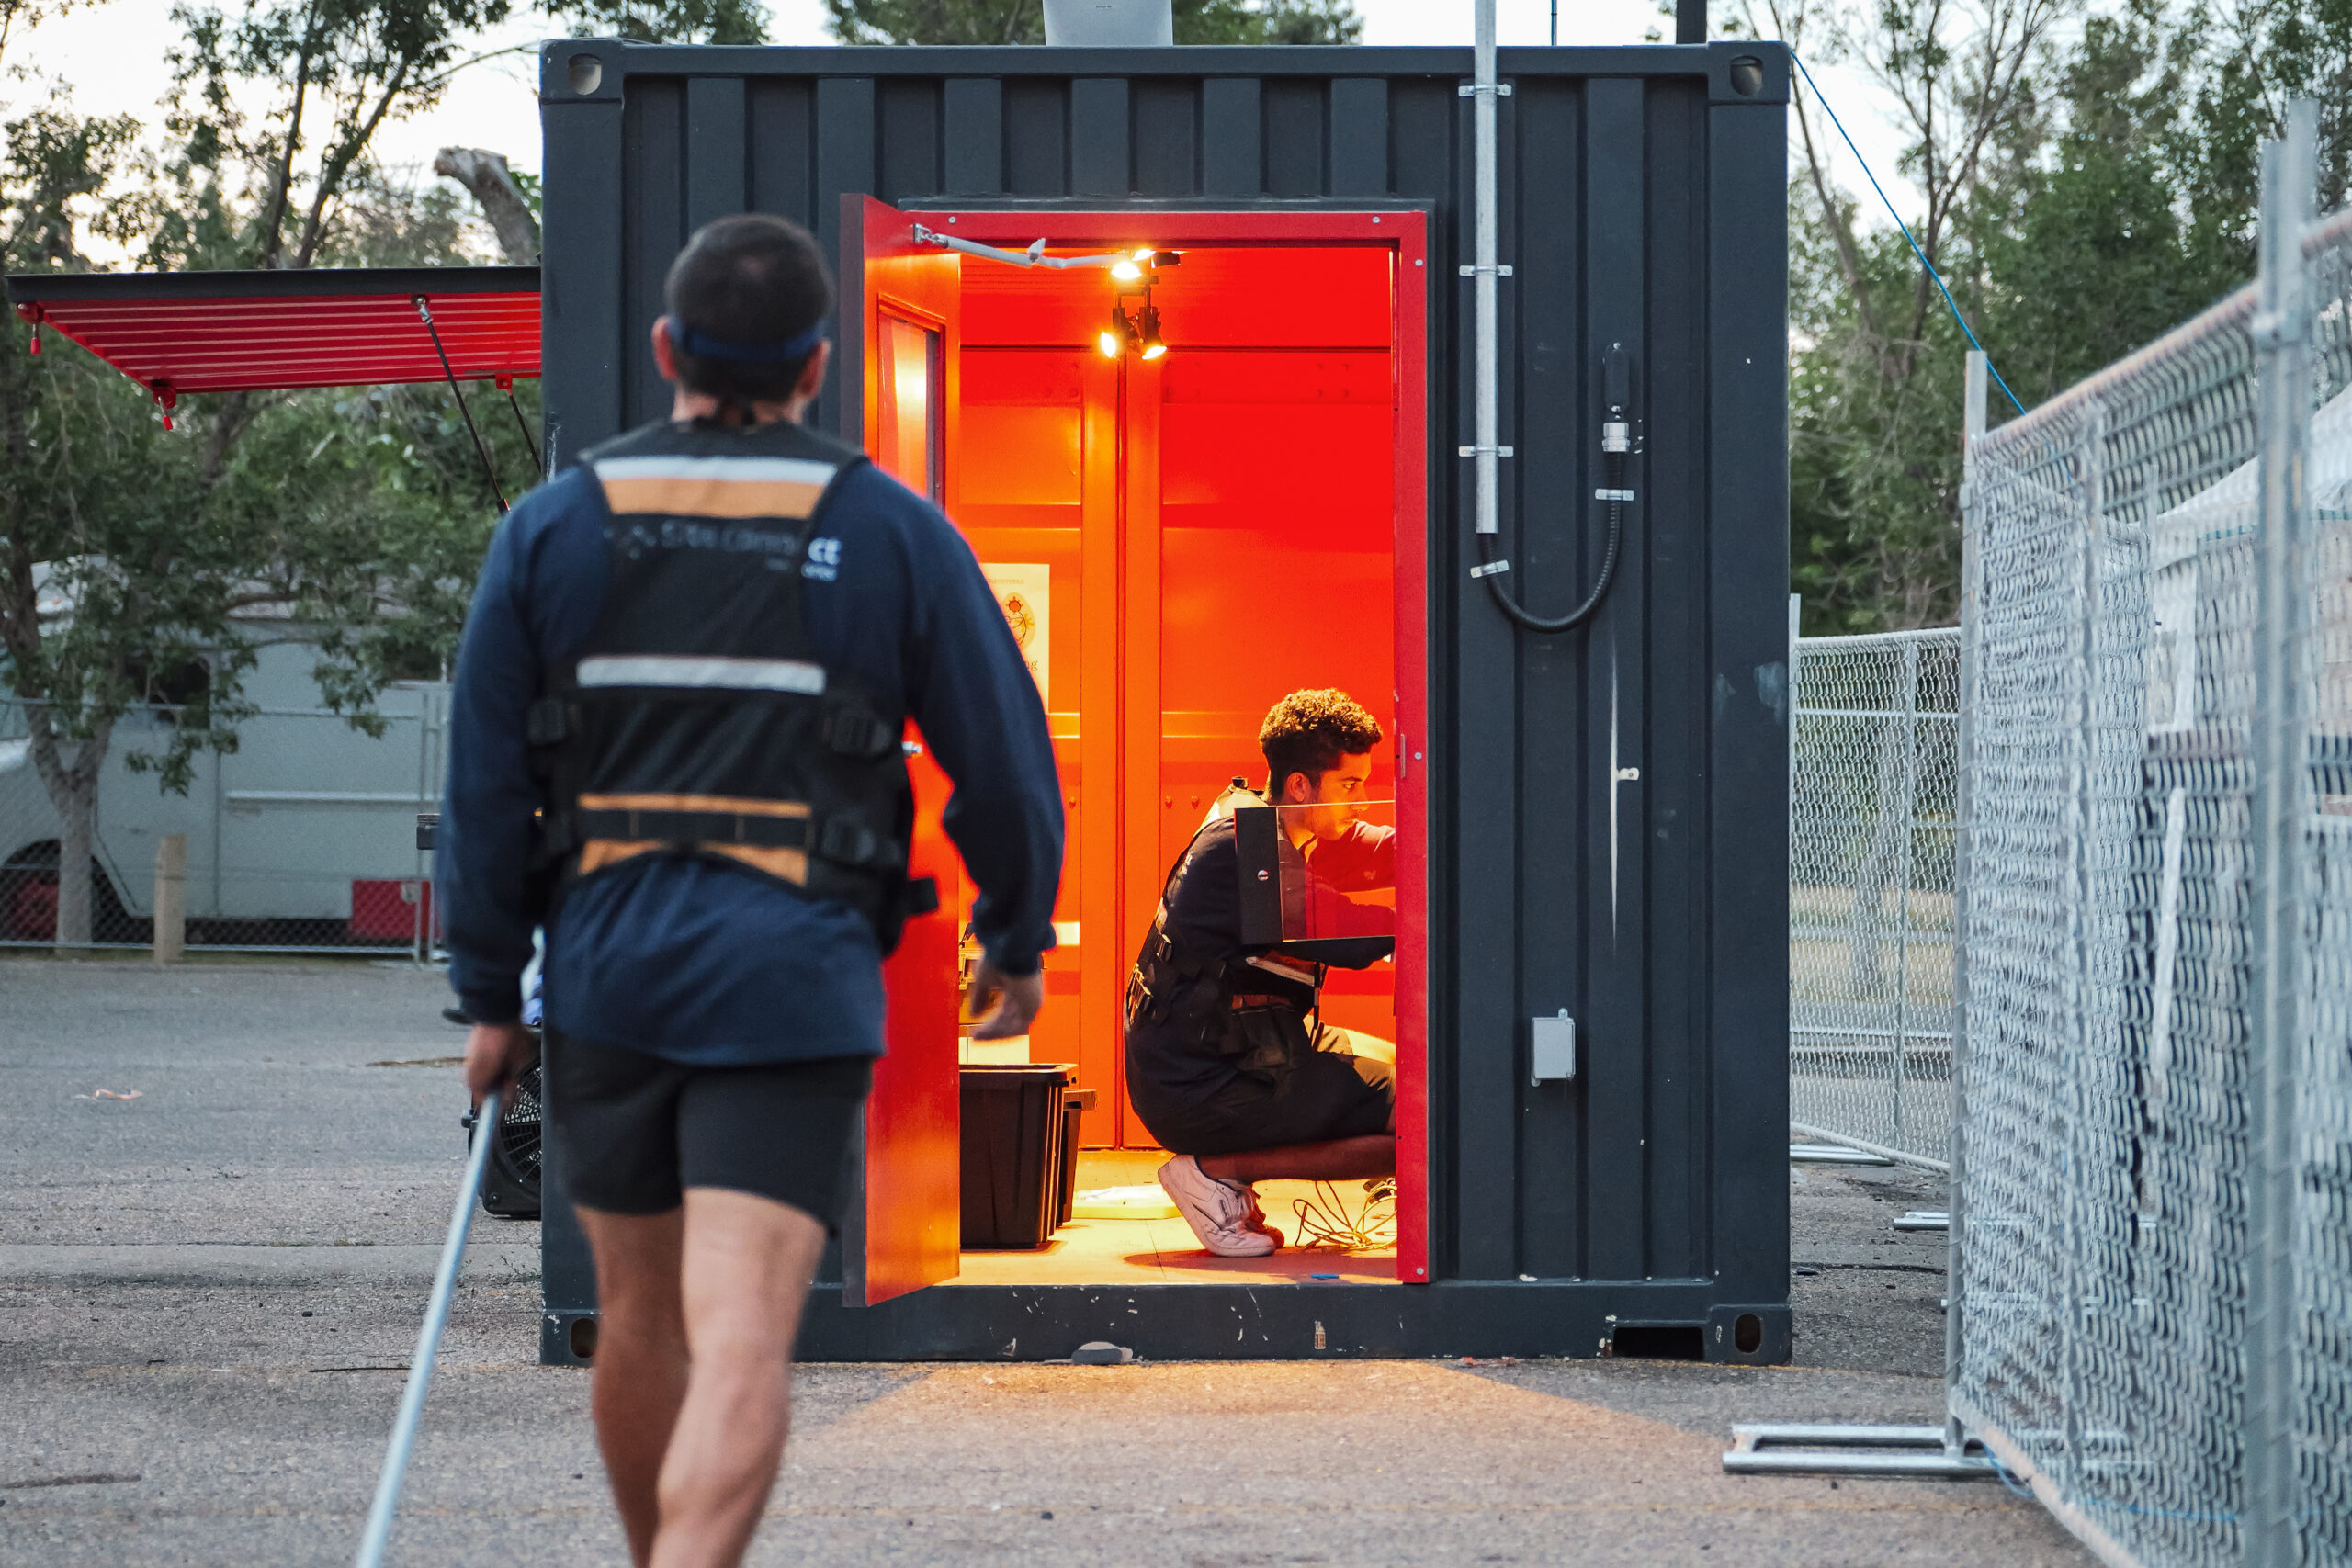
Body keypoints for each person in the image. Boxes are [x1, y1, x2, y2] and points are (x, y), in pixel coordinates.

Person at [437, 212, 1062, 1568]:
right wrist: (1016, 937)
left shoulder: (554, 529)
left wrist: (490, 993)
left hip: (607, 972)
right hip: (791, 979)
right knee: (742, 1333)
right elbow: (1006, 760)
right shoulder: (890, 530)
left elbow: (485, 779)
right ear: (821, 364)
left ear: (667, 348)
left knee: (638, 1316)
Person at [1124, 688, 1396, 1257]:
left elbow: (1382, 849)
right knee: (1422, 1116)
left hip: (1223, 1054)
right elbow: (1350, 935)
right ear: (1301, 785)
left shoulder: (1260, 821)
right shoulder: (1245, 857)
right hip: (1203, 1084)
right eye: (1350, 785)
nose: (1360, 801)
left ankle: (1226, 1176)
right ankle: (1214, 1169)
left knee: (1404, 1065)